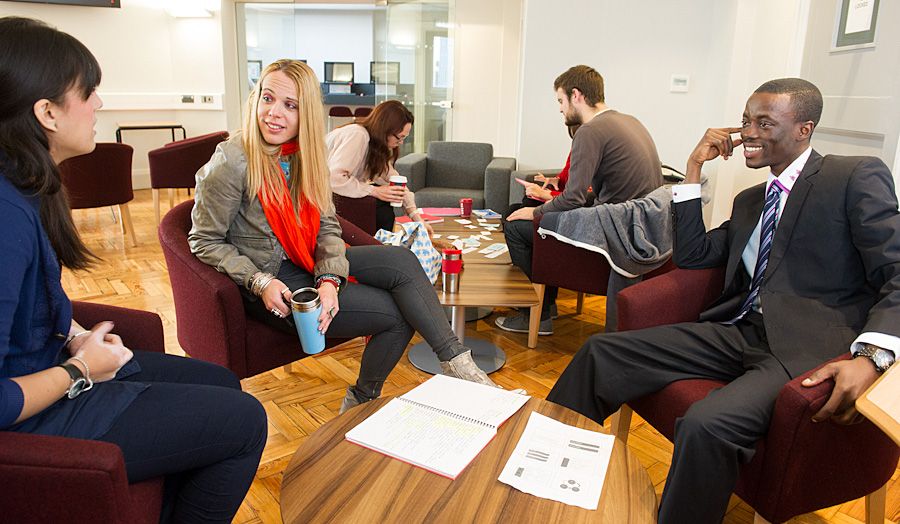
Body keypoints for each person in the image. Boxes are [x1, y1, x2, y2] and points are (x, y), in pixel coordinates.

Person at [547, 78, 899, 523]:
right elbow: (694, 255)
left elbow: (896, 272)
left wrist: (871, 356)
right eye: (746, 121)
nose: (748, 132)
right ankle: (541, 470)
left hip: (801, 350)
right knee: (600, 352)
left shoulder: (851, 177)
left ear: (804, 129)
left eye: (764, 123)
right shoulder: (754, 199)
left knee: (705, 423)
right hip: (737, 331)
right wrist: (693, 170)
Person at [0, 17, 267, 523]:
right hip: (33, 418)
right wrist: (79, 370)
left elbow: (35, 305)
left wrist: (76, 336)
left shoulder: (28, 189)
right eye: (90, 91)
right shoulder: (5, 217)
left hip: (51, 368)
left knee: (223, 384)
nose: (100, 103)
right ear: (47, 112)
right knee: (247, 420)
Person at [189, 59, 498, 413]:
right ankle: (362, 401)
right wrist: (259, 281)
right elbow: (204, 240)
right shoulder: (232, 160)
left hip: (306, 257)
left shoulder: (307, 155)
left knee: (402, 259)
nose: (274, 114)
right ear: (255, 98)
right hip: (275, 279)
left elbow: (327, 226)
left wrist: (330, 279)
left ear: (305, 113)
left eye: (290, 105)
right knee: (399, 315)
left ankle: (459, 365)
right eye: (268, 98)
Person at [498, 65, 663, 335]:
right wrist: (538, 208)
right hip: (639, 226)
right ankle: (547, 306)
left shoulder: (589, 130)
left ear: (576, 95)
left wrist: (536, 213)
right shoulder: (630, 121)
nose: (561, 109)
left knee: (516, 225)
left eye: (560, 101)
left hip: (615, 233)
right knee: (522, 209)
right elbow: (600, 190)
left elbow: (572, 198)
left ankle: (535, 316)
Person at [326, 100, 430, 233]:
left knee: (384, 200)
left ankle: (381, 245)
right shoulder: (358, 135)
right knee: (381, 205)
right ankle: (380, 246)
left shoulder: (375, 147)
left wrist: (417, 218)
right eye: (399, 137)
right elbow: (334, 177)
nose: (401, 142)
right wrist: (374, 191)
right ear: (386, 129)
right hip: (320, 196)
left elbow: (396, 183)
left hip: (336, 197)